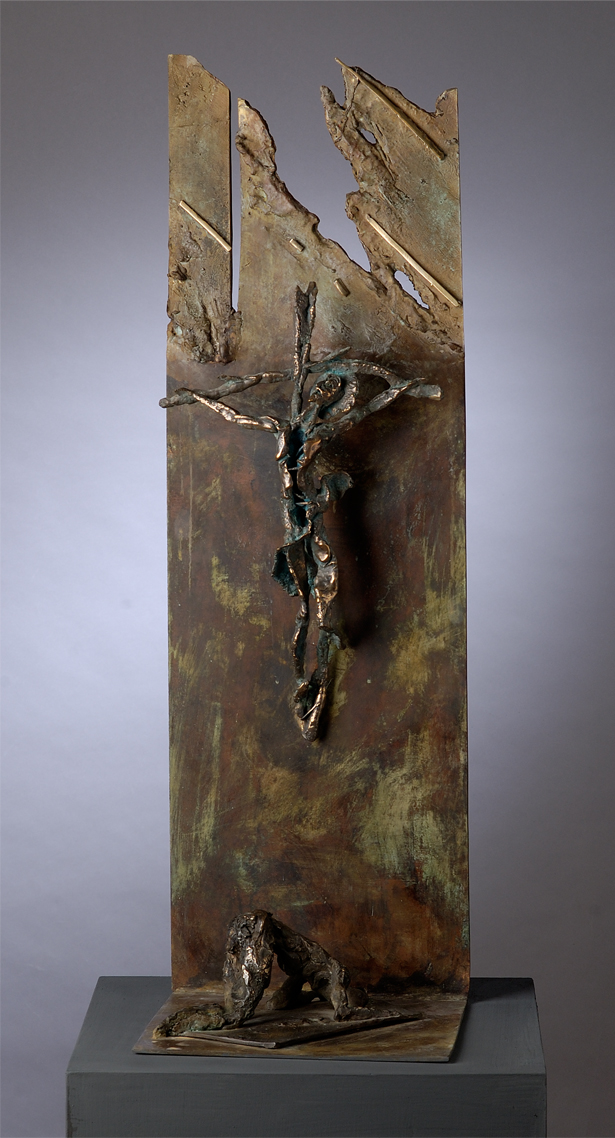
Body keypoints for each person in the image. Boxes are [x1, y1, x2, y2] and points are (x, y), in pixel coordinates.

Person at [161, 284, 440, 741]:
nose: (321, 393)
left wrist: (407, 387)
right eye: (321, 387)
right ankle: (302, 683)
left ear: (333, 397)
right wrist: (196, 396)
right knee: (303, 612)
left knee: (325, 604)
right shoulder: (283, 427)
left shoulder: (326, 428)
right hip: (293, 527)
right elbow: (236, 415)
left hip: (313, 524)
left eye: (330, 389)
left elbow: (370, 404)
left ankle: (322, 677)